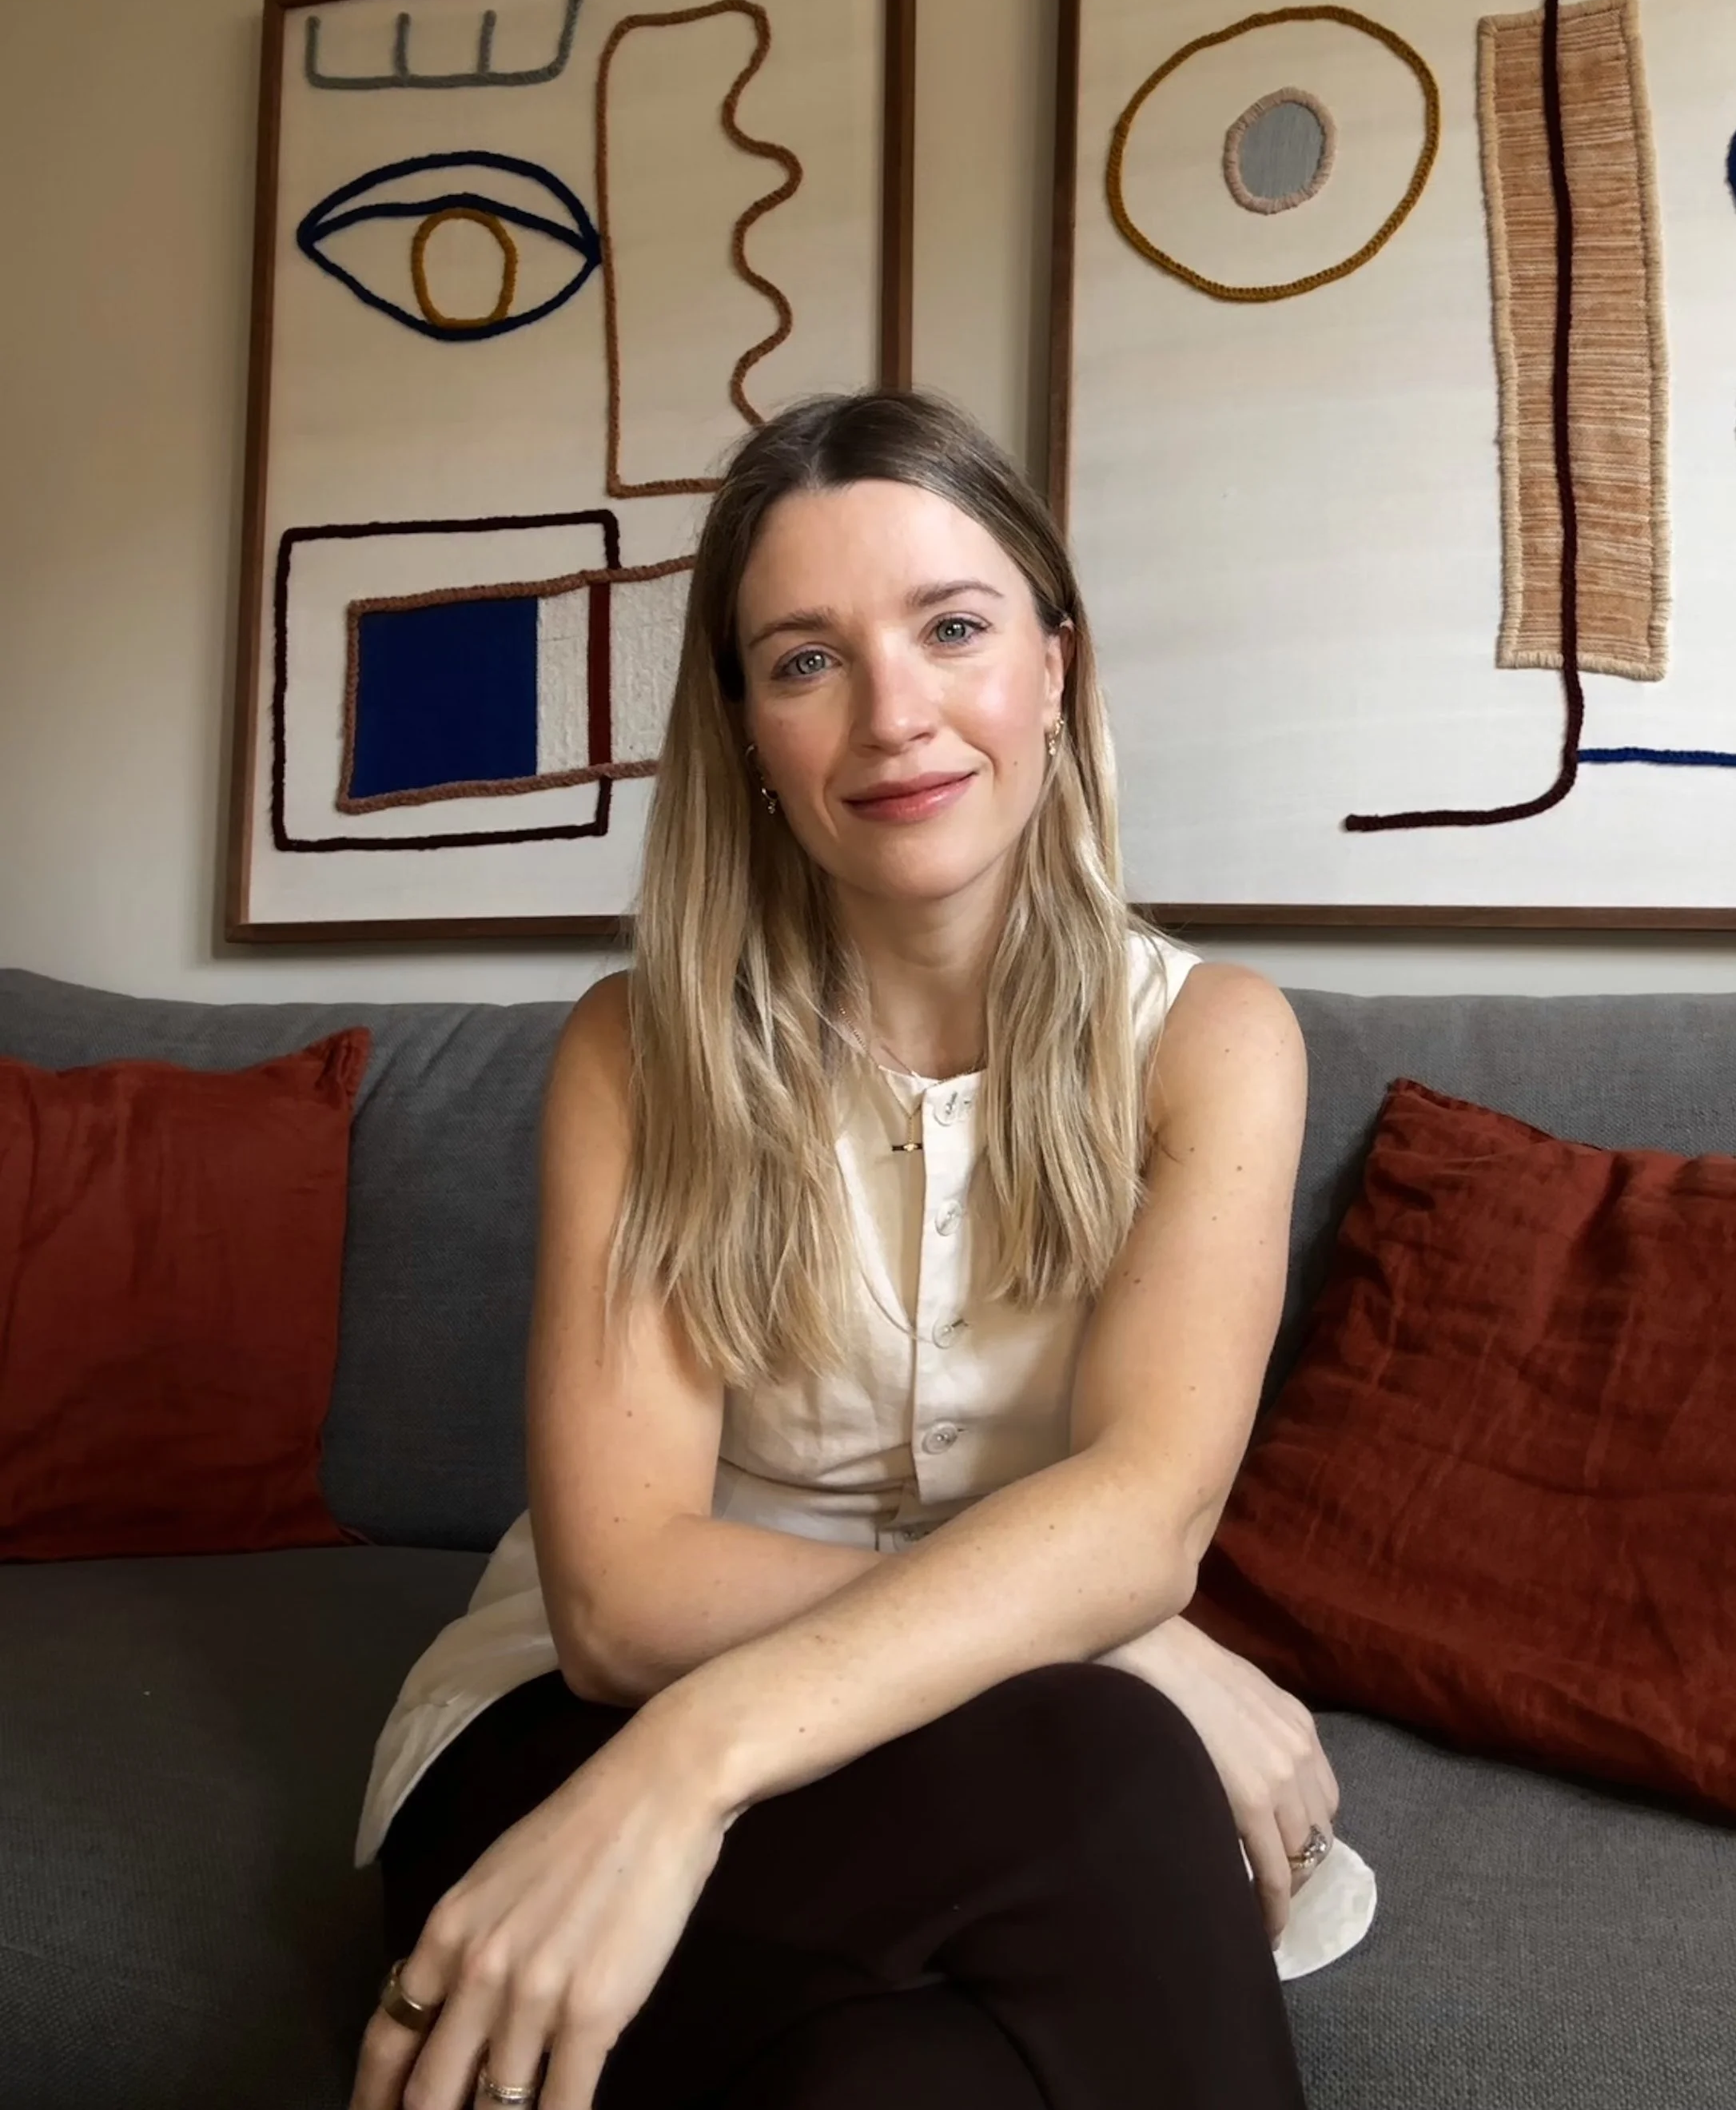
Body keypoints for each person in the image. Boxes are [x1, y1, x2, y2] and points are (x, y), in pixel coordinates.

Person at [349, 389, 1334, 2110]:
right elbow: (620, 1599)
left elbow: (1146, 1509)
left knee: (901, 2082)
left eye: (951, 628)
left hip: (849, 1771)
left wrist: (697, 1768)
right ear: (741, 728)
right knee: (1108, 1763)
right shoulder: (631, 1051)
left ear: (1054, 667)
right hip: (555, 1759)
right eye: (804, 659)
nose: (894, 715)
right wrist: (1110, 1629)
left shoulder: (1212, 1043)